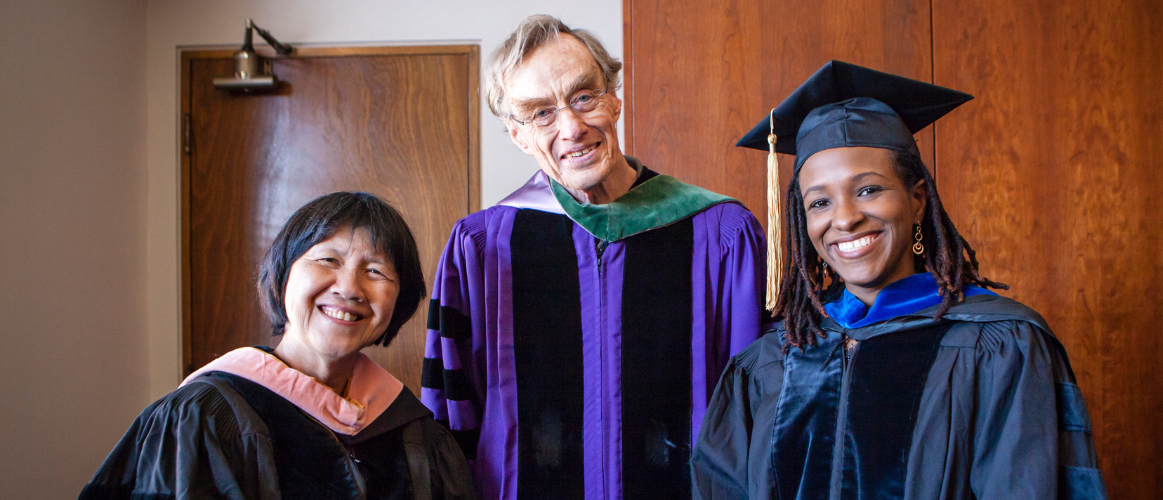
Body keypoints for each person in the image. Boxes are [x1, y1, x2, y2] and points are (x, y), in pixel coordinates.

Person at [691, 61, 1108, 500]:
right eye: (819, 202)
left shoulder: (1000, 346)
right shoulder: (771, 361)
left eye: (868, 190)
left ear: (917, 199)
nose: (845, 218)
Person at [420, 14, 767, 500]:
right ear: (518, 135)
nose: (571, 126)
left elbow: (758, 406)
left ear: (615, 98)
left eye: (584, 96)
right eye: (540, 113)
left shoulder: (720, 235)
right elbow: (449, 418)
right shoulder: (480, 249)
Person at [82, 192, 474, 499]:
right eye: (328, 260)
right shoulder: (200, 418)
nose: (349, 288)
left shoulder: (416, 435)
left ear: (400, 299)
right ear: (283, 275)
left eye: (374, 271)